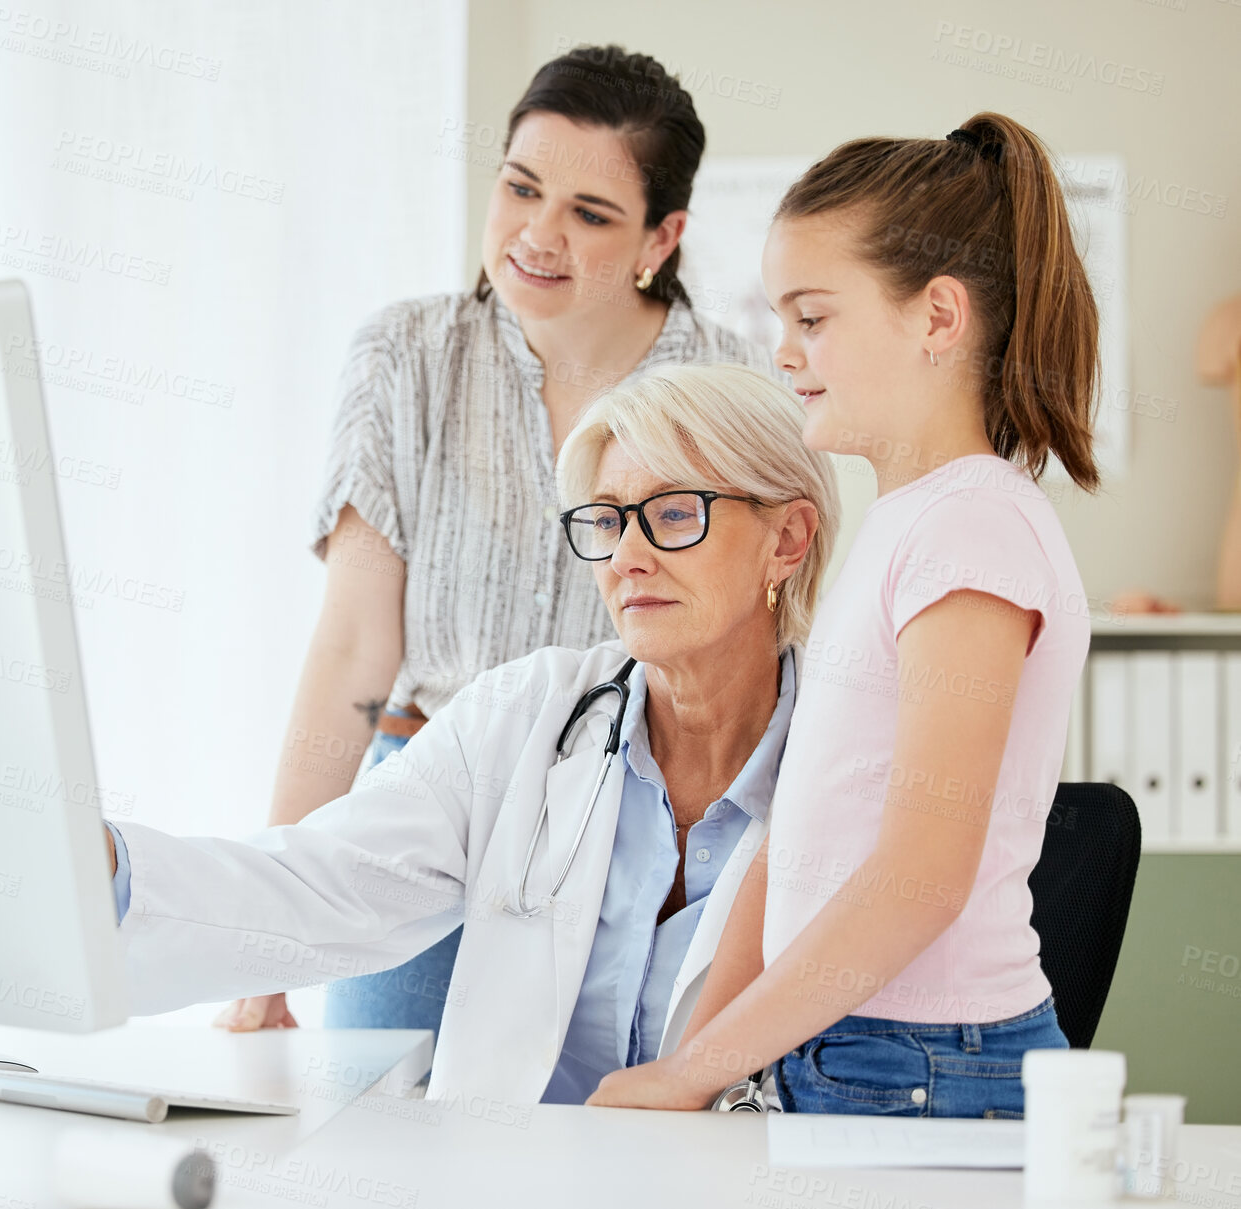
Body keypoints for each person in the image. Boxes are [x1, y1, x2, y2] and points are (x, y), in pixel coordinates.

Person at [213, 44, 771, 1037]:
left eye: (589, 215)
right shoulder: (406, 355)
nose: (534, 235)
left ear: (661, 236)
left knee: (614, 1147)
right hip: (430, 809)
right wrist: (268, 944)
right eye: (519, 188)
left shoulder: (733, 388)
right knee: (392, 1139)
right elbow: (352, 651)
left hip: (632, 817)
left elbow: (763, 647)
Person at [103, 363, 839, 1104]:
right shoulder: (525, 713)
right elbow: (321, 885)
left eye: (676, 513)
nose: (626, 556)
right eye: (610, 520)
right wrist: (103, 868)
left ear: (787, 539)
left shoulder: (857, 759)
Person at [588, 114, 1097, 1118]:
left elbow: (919, 877)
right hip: (848, 1048)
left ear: (936, 319)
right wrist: (692, 1063)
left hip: (919, 1062)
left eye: (811, 318)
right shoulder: (907, 524)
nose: (783, 351)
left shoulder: (972, 532)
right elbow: (798, 840)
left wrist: (688, 1072)